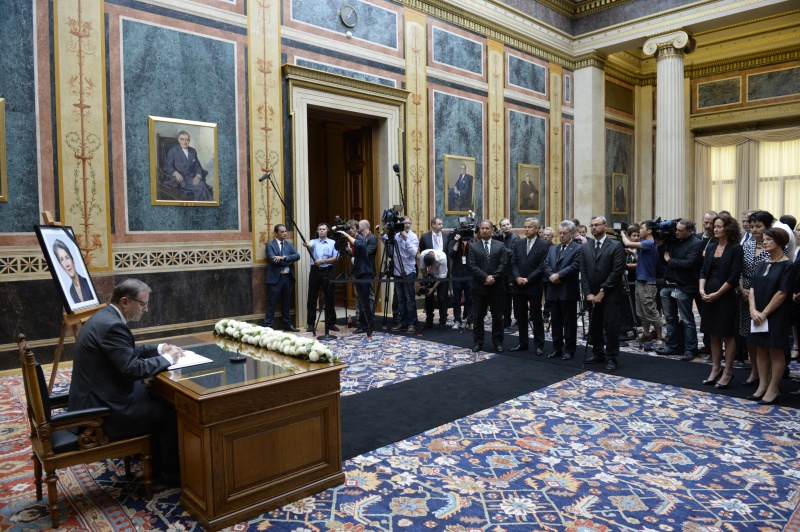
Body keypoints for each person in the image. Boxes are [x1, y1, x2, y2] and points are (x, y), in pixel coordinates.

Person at [68, 279, 183, 482]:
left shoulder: (105, 317)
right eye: (142, 304)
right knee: (169, 412)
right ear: (124, 301)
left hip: (95, 396)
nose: (146, 310)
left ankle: (153, 460)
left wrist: (160, 348)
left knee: (153, 395)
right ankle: (167, 474)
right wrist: (168, 358)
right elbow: (132, 369)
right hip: (101, 411)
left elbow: (124, 353)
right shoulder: (112, 326)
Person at [747, 227, 794, 405]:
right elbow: (751, 287)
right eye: (763, 239)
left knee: (775, 349)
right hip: (757, 313)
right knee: (760, 347)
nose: (764, 242)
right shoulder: (762, 262)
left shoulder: (787, 265)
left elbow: (782, 293)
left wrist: (764, 312)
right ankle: (762, 385)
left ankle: (774, 388)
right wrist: (753, 310)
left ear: (780, 241)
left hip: (775, 313)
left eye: (768, 239)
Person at [699, 213, 743, 389]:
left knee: (726, 334)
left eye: (719, 226)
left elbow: (734, 276)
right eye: (714, 226)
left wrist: (717, 293)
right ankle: (715, 368)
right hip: (707, 294)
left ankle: (728, 371)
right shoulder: (711, 247)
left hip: (725, 296)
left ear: (728, 229)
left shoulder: (735, 249)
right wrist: (702, 289)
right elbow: (703, 271)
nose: (715, 229)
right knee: (712, 332)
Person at [580, 216, 626, 371]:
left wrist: (602, 291)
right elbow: (583, 272)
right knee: (595, 325)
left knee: (611, 326)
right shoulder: (586, 247)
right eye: (591, 225)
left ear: (605, 226)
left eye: (597, 225)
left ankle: (611, 357)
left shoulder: (615, 245)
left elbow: (617, 271)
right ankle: (598, 352)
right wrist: (588, 293)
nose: (593, 228)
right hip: (591, 295)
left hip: (611, 294)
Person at [655, 219, 703, 360]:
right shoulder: (674, 241)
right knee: (670, 318)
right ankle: (672, 346)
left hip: (685, 286)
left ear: (689, 231)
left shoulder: (696, 243)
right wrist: (660, 245)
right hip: (668, 284)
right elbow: (663, 260)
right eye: (676, 229)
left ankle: (690, 349)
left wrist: (671, 261)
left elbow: (689, 264)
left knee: (687, 320)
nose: (677, 232)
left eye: (680, 230)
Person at [738, 210, 775, 385]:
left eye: (758, 226)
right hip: (745, 295)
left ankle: (767, 375)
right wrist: (741, 289)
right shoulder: (747, 245)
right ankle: (754, 371)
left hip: (765, 295)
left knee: (765, 338)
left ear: (767, 227)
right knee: (749, 337)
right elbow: (738, 270)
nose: (753, 230)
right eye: (751, 226)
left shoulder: (774, 246)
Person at [509, 217, 549, 354]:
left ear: (537, 229)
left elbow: (543, 265)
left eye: (529, 227)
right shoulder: (518, 244)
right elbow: (513, 263)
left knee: (536, 315)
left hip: (534, 285)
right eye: (525, 227)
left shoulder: (543, 244)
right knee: (520, 315)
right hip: (519, 285)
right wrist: (517, 277)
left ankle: (539, 345)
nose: (526, 229)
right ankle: (523, 342)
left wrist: (528, 279)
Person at [544, 220, 582, 360]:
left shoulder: (577, 248)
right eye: (560, 233)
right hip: (553, 290)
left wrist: (558, 275)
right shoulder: (553, 248)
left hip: (567, 290)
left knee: (569, 322)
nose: (561, 236)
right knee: (556, 321)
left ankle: (569, 350)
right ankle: (556, 348)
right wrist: (551, 276)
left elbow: (575, 266)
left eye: (564, 233)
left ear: (572, 233)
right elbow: (546, 264)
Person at [468, 220, 508, 353]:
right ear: (479, 230)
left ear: (492, 229)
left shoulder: (500, 245)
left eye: (487, 228)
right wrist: (485, 277)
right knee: (478, 316)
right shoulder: (473, 246)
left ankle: (498, 342)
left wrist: (493, 277)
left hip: (496, 287)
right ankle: (478, 342)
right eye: (482, 228)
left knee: (497, 317)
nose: (484, 231)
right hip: (479, 287)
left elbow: (503, 264)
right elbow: (472, 265)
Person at [622, 220, 664, 346]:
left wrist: (623, 234)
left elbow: (628, 243)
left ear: (649, 230)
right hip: (640, 281)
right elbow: (641, 260)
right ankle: (646, 334)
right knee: (641, 311)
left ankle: (660, 337)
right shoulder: (646, 245)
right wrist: (633, 253)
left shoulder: (649, 243)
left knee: (651, 310)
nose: (639, 231)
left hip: (648, 283)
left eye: (641, 228)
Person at [340, 220, 377, 334]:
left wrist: (346, 235)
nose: (350, 231)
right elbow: (356, 254)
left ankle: (366, 325)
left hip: (365, 272)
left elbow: (359, 244)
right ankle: (362, 323)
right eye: (348, 229)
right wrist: (349, 251)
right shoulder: (353, 240)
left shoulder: (360, 238)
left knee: (365, 300)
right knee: (360, 300)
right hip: (358, 272)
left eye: (351, 228)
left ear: (356, 229)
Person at [383, 217, 419, 332]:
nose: (407, 225)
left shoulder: (413, 237)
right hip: (397, 271)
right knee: (401, 299)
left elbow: (413, 253)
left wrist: (406, 239)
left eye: (409, 223)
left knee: (409, 299)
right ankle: (403, 322)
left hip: (408, 271)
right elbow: (384, 240)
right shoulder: (396, 235)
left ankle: (412, 323)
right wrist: (385, 231)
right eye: (405, 223)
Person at [303, 223, 339, 334]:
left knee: (330, 297)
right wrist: (306, 244)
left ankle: (331, 323)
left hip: (328, 271)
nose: (321, 231)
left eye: (323, 229)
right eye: (319, 229)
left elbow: (336, 258)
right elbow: (309, 245)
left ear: (327, 231)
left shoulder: (333, 243)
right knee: (312, 298)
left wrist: (323, 261)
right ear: (317, 231)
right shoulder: (314, 241)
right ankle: (310, 324)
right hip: (315, 271)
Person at [264, 224, 300, 331]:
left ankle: (287, 325)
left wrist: (284, 257)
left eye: (285, 231)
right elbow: (273, 260)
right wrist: (289, 261)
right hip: (276, 279)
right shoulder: (270, 245)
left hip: (288, 278)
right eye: (282, 232)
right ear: (276, 233)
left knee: (286, 303)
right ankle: (268, 327)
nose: (285, 233)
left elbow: (297, 256)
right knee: (272, 303)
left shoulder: (289, 245)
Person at [162, 130, 213, 201]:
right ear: (178, 140)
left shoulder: (193, 151)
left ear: (189, 141)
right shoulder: (173, 151)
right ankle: (208, 203)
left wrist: (198, 176)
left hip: (193, 178)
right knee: (201, 186)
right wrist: (175, 173)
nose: (185, 142)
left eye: (187, 140)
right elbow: (167, 166)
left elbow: (198, 166)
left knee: (201, 185)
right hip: (181, 180)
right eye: (182, 139)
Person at [52, 239, 93, 304]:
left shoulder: (87, 283)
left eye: (67, 258)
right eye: (62, 259)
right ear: (61, 266)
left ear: (73, 261)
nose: (67, 264)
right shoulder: (72, 291)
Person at [497, 218, 520, 331]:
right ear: (501, 227)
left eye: (508, 224)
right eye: (503, 225)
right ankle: (506, 321)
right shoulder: (503, 237)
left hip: (512, 272)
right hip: (505, 272)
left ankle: (518, 321)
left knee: (515, 298)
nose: (506, 226)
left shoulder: (515, 237)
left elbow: (513, 253)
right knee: (506, 298)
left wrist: (500, 248)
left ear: (511, 225)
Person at [418, 249, 449, 330]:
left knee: (441, 298)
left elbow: (441, 277)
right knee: (428, 297)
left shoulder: (442, 258)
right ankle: (429, 321)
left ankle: (442, 322)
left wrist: (433, 288)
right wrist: (424, 281)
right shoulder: (422, 255)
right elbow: (423, 270)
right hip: (430, 275)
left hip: (441, 276)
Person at [449, 230, 474, 330]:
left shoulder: (471, 242)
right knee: (456, 299)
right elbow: (451, 254)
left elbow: (475, 253)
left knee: (470, 299)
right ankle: (457, 320)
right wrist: (457, 242)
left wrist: (469, 242)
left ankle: (470, 319)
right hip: (457, 274)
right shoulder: (453, 241)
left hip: (469, 274)